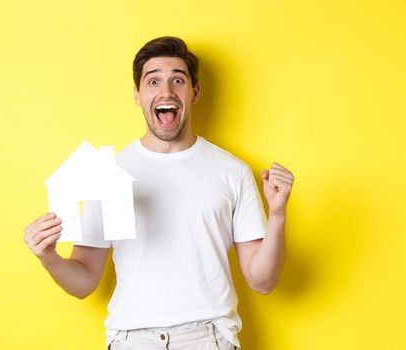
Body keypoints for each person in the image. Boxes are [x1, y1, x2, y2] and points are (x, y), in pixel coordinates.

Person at [22, 36, 294, 350]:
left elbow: (263, 281)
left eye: (177, 80)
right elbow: (84, 282)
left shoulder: (232, 171)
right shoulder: (109, 173)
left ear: (194, 92)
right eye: (153, 82)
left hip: (209, 339)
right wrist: (49, 257)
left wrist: (277, 214)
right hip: (132, 340)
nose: (166, 91)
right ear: (138, 95)